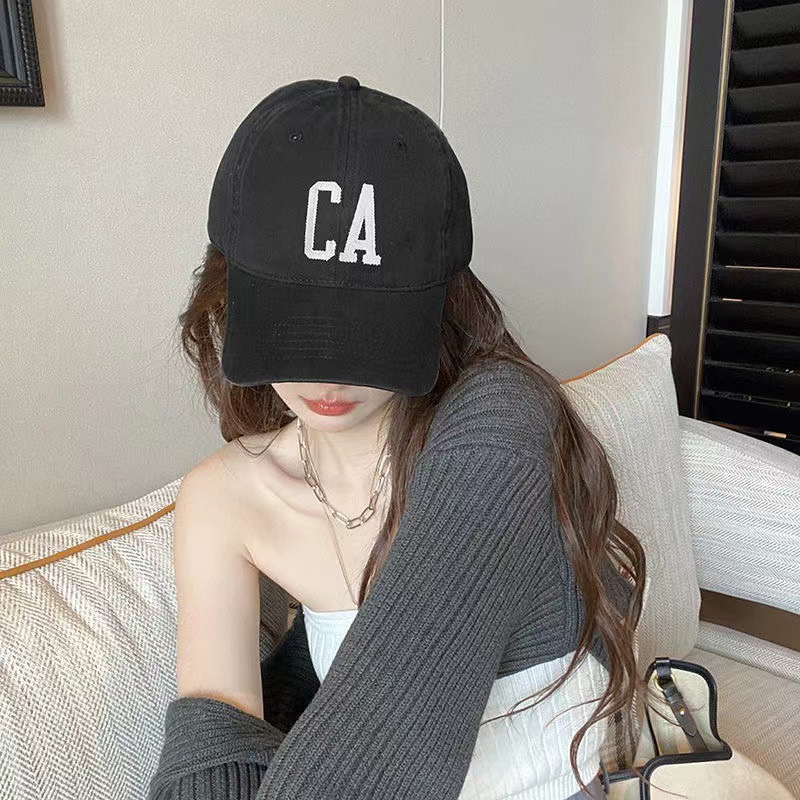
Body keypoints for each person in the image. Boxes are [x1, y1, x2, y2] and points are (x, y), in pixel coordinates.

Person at [146, 76, 646, 800]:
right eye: (294, 327)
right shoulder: (222, 497)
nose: (327, 374)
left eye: (363, 331)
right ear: (228, 296)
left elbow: (387, 738)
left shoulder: (501, 426)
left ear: (441, 302)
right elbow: (214, 747)